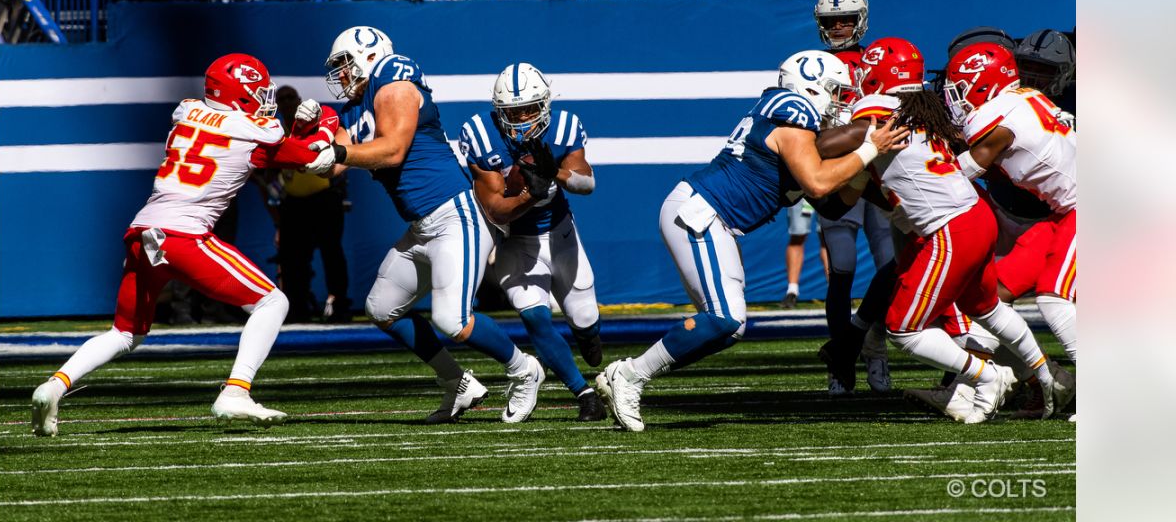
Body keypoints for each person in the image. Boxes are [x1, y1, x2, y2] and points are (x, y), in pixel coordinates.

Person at [595, 51, 910, 431]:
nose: (840, 102)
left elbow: (829, 206)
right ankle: (629, 376)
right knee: (725, 318)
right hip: (703, 213)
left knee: (729, 328)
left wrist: (866, 180)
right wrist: (869, 148)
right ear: (812, 86)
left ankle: (627, 374)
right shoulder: (792, 107)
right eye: (835, 91)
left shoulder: (791, 123)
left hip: (713, 219)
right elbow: (818, 181)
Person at [29, 53, 334, 436]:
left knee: (125, 332)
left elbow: (264, 142)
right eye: (255, 91)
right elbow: (314, 159)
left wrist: (299, 129)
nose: (263, 98)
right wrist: (323, 125)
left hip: (143, 231)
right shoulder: (252, 133)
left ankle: (54, 385)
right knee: (274, 301)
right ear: (238, 94)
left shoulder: (188, 113)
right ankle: (237, 391)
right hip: (184, 234)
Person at [305, 27, 547, 424]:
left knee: (451, 319)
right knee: (382, 308)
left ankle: (524, 369)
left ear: (367, 56)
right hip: (421, 226)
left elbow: (394, 150)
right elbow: (330, 166)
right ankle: (457, 382)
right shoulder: (353, 108)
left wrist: (338, 150)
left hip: (455, 214)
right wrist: (299, 140)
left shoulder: (392, 78)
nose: (342, 76)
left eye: (345, 65)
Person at [833, 36, 1069, 423]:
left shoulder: (882, 108)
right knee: (986, 306)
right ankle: (1045, 376)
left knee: (905, 328)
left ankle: (988, 377)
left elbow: (837, 146)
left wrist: (803, 139)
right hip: (978, 216)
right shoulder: (922, 108)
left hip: (961, 226)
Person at [459, 64, 607, 422]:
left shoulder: (565, 126)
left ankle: (586, 334)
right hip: (515, 242)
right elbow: (495, 210)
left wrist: (554, 173)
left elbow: (587, 183)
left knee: (584, 317)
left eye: (530, 108)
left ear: (545, 104)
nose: (523, 118)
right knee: (537, 319)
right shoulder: (481, 134)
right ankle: (584, 393)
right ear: (499, 111)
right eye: (513, 112)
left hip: (560, 235)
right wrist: (529, 193)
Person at [942, 42, 1077, 374]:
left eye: (961, 89)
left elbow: (957, 174)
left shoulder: (994, 117)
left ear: (983, 83)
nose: (956, 98)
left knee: (1054, 298)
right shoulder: (1022, 98)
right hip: (1061, 212)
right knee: (994, 294)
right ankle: (975, 388)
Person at [808, 0, 898, 394]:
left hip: (878, 173)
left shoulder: (879, 61)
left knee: (887, 267)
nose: (840, 26)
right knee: (841, 269)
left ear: (860, 19)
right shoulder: (811, 66)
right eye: (832, 20)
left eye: (846, 19)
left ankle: (874, 354)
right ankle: (842, 365)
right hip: (839, 173)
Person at [270, 86, 351, 323]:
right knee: (292, 258)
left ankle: (339, 304)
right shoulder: (275, 132)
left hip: (324, 199)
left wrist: (339, 188)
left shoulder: (318, 126)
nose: (286, 103)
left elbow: (338, 157)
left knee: (332, 253)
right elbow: (268, 176)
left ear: (299, 100)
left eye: (290, 98)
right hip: (293, 203)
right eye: (281, 99)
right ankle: (297, 306)